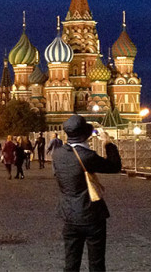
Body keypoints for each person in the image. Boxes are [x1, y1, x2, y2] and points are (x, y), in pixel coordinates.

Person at [53, 114, 122, 272]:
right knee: (96, 263)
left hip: (69, 215)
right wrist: (108, 144)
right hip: (91, 215)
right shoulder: (87, 156)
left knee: (71, 263)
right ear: (85, 134)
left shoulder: (57, 154)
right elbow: (114, 166)